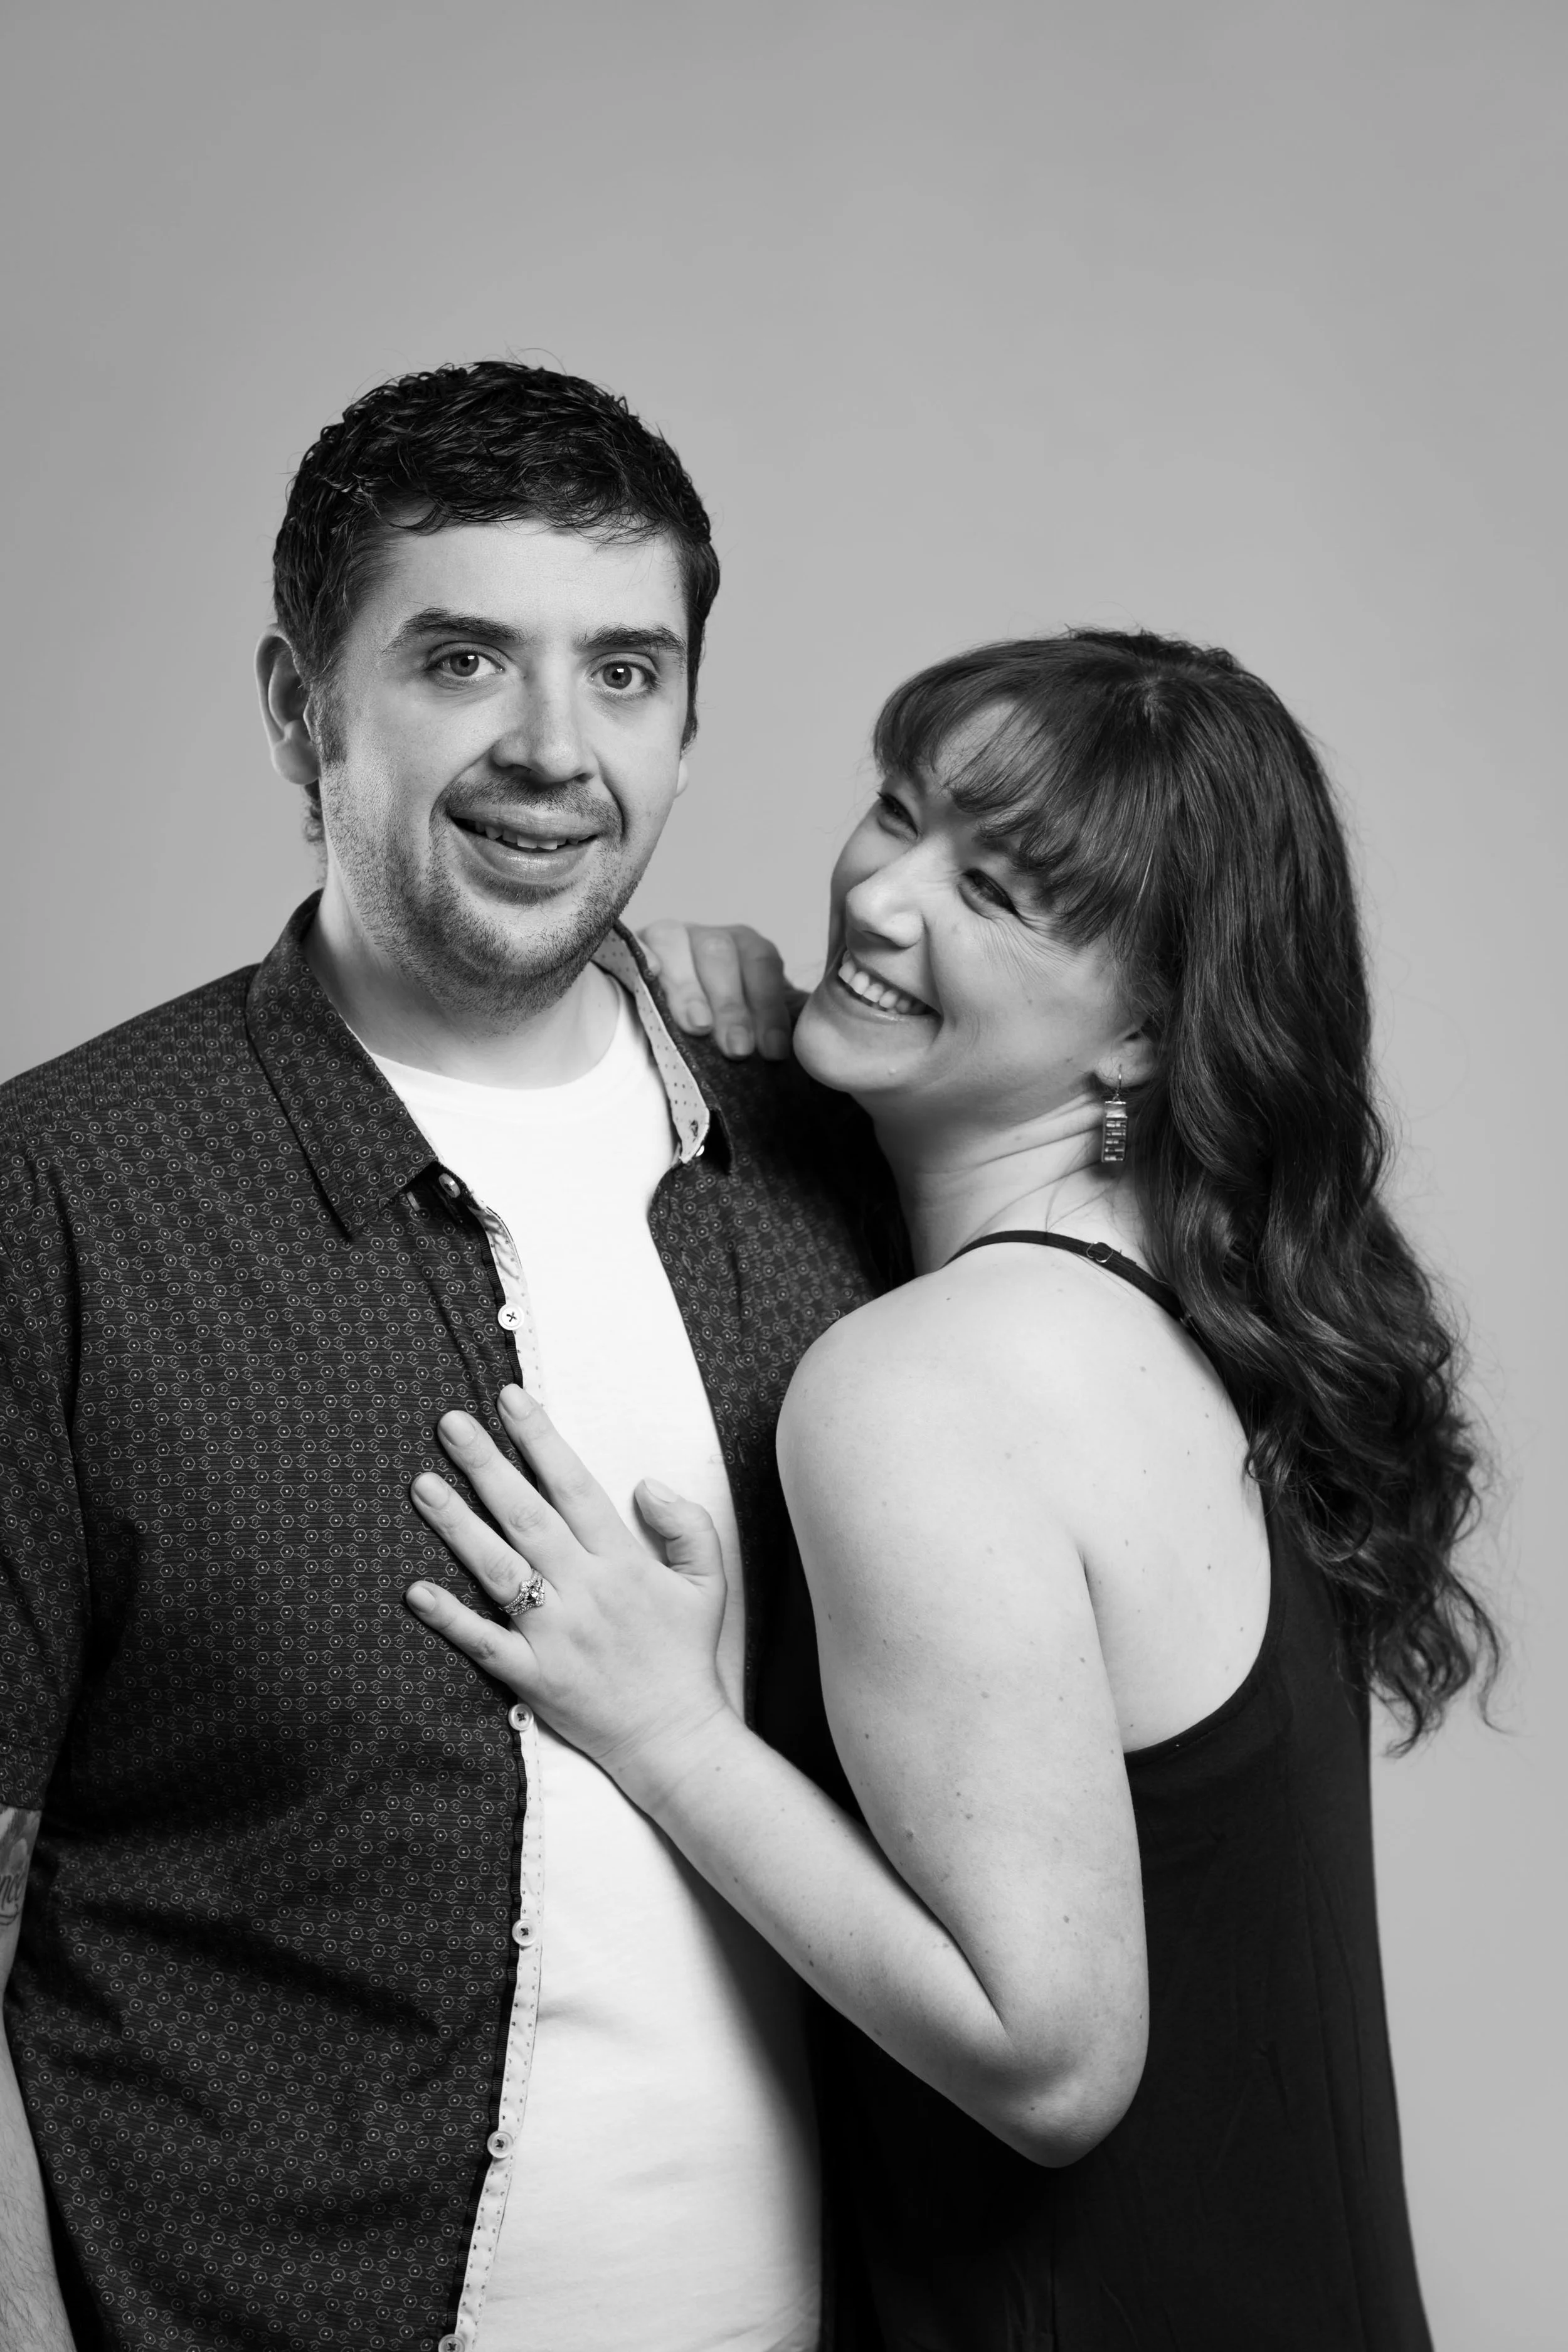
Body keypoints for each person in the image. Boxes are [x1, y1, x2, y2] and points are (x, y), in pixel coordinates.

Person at [403, 630, 1498, 2351]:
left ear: (1142, 1034)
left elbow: (1049, 2055)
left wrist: (669, 1730)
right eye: (896, 810)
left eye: (993, 891)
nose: (882, 894)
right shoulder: (1182, 1329)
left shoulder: (928, 1384)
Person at [0, 361, 891, 2352]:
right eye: (464, 661)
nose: (552, 752)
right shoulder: (57, 1194)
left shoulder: (819, 1171)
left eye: (626, 674)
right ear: (299, 706)